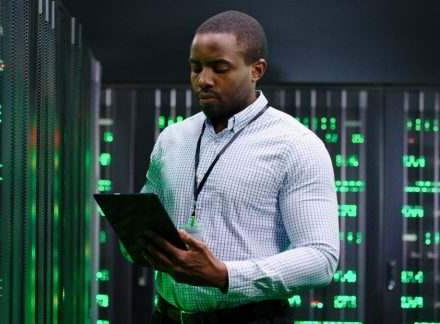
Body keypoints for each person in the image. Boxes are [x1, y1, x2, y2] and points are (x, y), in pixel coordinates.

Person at [137, 10, 340, 323]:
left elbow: (321, 258)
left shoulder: (296, 145)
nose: (203, 80)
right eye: (195, 68)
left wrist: (225, 275)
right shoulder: (172, 138)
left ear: (256, 69)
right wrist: (137, 240)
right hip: (166, 316)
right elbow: (144, 229)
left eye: (220, 68)